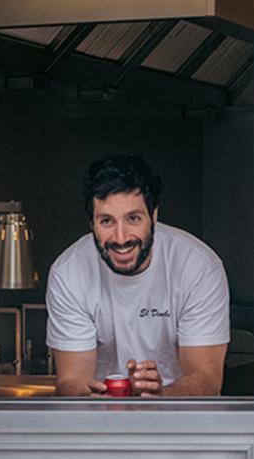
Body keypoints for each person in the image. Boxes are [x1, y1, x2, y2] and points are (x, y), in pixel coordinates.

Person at [47, 154, 229, 397]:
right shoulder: (69, 272)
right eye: (106, 221)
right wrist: (91, 396)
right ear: (91, 223)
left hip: (183, 422)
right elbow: (72, 379)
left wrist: (161, 395)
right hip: (99, 422)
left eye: (133, 219)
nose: (121, 238)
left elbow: (207, 380)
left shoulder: (197, 266)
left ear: (153, 216)